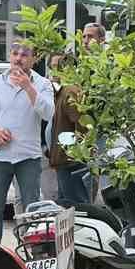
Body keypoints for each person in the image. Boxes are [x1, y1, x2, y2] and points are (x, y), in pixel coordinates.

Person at [0, 40, 54, 241]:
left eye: (24, 54)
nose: (19, 58)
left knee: (31, 207)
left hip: (28, 156)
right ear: (10, 56)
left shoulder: (43, 84)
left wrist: (29, 87)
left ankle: (32, 253)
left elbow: (48, 113)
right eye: (15, 53)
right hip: (0, 156)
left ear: (33, 59)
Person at [47, 53, 92, 206]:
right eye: (51, 68)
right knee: (66, 209)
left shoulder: (70, 92)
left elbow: (83, 125)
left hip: (72, 163)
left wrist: (71, 151)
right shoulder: (61, 92)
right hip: (64, 162)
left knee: (78, 208)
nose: (53, 72)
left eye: (57, 67)